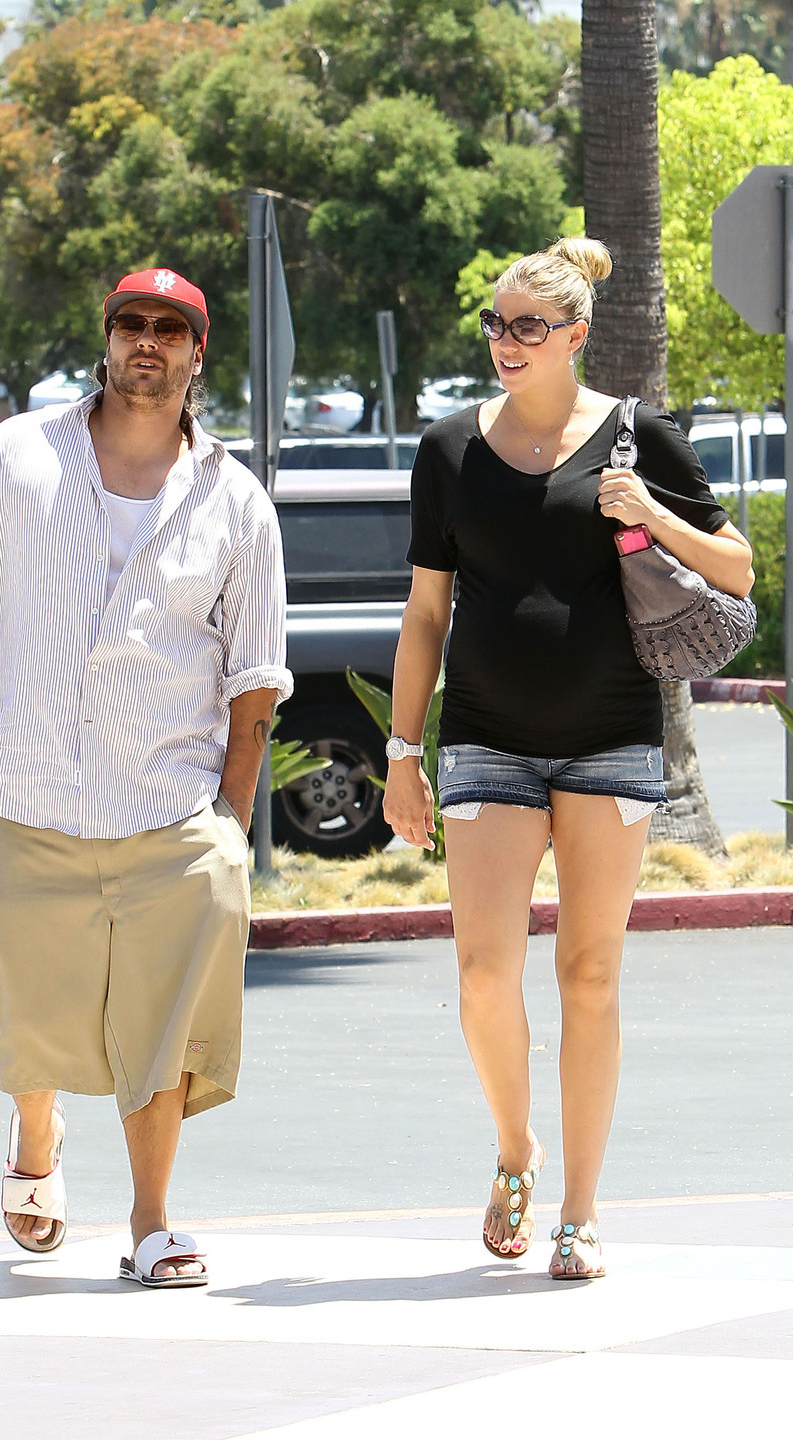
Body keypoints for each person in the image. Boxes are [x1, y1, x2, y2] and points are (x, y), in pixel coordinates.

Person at [0, 266, 292, 1288]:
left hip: (170, 804)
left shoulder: (236, 501)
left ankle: (151, 1222)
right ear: (106, 339)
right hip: (30, 794)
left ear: (197, 353)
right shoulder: (17, 455)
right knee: (31, 1013)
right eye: (128, 323)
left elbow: (254, 681)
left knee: (165, 1021)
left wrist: (232, 823)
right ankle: (37, 1131)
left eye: (168, 329)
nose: (145, 341)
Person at [383, 238, 753, 1280]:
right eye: (496, 325)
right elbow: (426, 614)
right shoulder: (449, 450)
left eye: (528, 327)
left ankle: (581, 1213)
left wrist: (650, 511)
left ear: (575, 335)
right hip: (486, 737)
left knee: (589, 975)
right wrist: (403, 751)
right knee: (481, 978)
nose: (506, 343)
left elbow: (737, 567)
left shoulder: (640, 438)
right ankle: (517, 1150)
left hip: (611, 735)